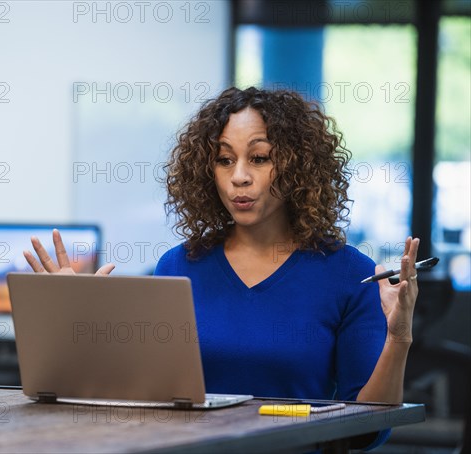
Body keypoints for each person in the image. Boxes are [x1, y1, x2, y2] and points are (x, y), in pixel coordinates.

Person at [24, 87, 419, 441]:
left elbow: (366, 430)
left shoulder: (349, 274)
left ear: (299, 167)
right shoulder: (178, 266)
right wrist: (73, 319)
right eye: (224, 160)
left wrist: (398, 338)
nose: (239, 177)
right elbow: (138, 402)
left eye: (260, 158)